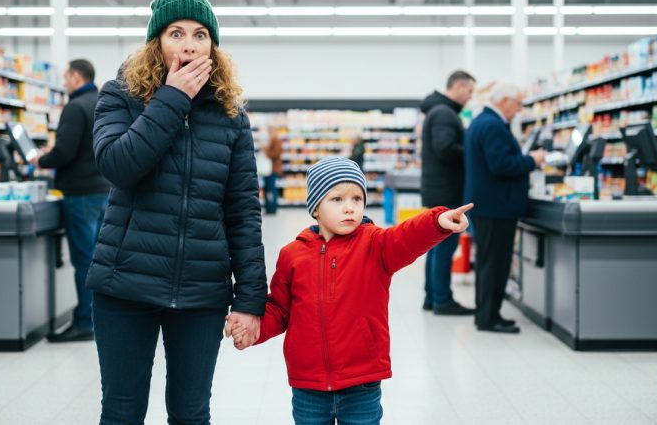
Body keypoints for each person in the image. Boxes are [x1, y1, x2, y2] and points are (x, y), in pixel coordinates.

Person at [88, 0, 267, 424]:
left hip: (201, 290)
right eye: (176, 32)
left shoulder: (230, 114)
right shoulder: (121, 96)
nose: (189, 44)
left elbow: (243, 209)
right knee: (122, 412)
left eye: (201, 34)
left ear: (213, 47)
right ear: (157, 43)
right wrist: (172, 99)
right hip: (124, 284)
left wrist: (250, 299)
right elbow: (117, 165)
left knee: (191, 413)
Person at [229, 156, 472, 425]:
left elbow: (407, 236)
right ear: (316, 208)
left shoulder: (376, 245)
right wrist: (255, 330)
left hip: (362, 382)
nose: (350, 208)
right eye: (337, 200)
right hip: (309, 385)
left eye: (357, 199)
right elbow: (280, 309)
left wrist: (436, 222)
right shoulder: (292, 255)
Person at [31, 59, 110, 342]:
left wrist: (41, 159)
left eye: (66, 77)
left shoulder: (75, 107)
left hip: (80, 193)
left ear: (76, 77)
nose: (64, 82)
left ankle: (84, 322)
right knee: (100, 260)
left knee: (84, 260)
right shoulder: (101, 101)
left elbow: (65, 151)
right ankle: (100, 317)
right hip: (103, 189)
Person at [464, 83, 545, 334]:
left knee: (489, 263)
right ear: (504, 101)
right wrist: (532, 160)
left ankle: (487, 313)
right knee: (494, 264)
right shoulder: (493, 125)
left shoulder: (483, 121)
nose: (519, 109)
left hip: (489, 205)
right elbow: (500, 165)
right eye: (518, 103)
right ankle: (488, 318)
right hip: (495, 207)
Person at [419, 70, 476, 316]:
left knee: (436, 245)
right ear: (459, 87)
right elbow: (445, 149)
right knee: (444, 245)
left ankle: (432, 297)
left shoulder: (439, 111)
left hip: (438, 188)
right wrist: (472, 151)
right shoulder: (444, 113)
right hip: (446, 189)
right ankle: (442, 300)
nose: (470, 97)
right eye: (470, 91)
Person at [263, 126, 282, 214]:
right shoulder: (271, 141)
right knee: (267, 189)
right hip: (268, 169)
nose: (269, 133)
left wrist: (266, 151)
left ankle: (272, 208)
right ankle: (269, 208)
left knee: (272, 189)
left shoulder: (276, 141)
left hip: (273, 170)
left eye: (270, 131)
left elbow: (276, 154)